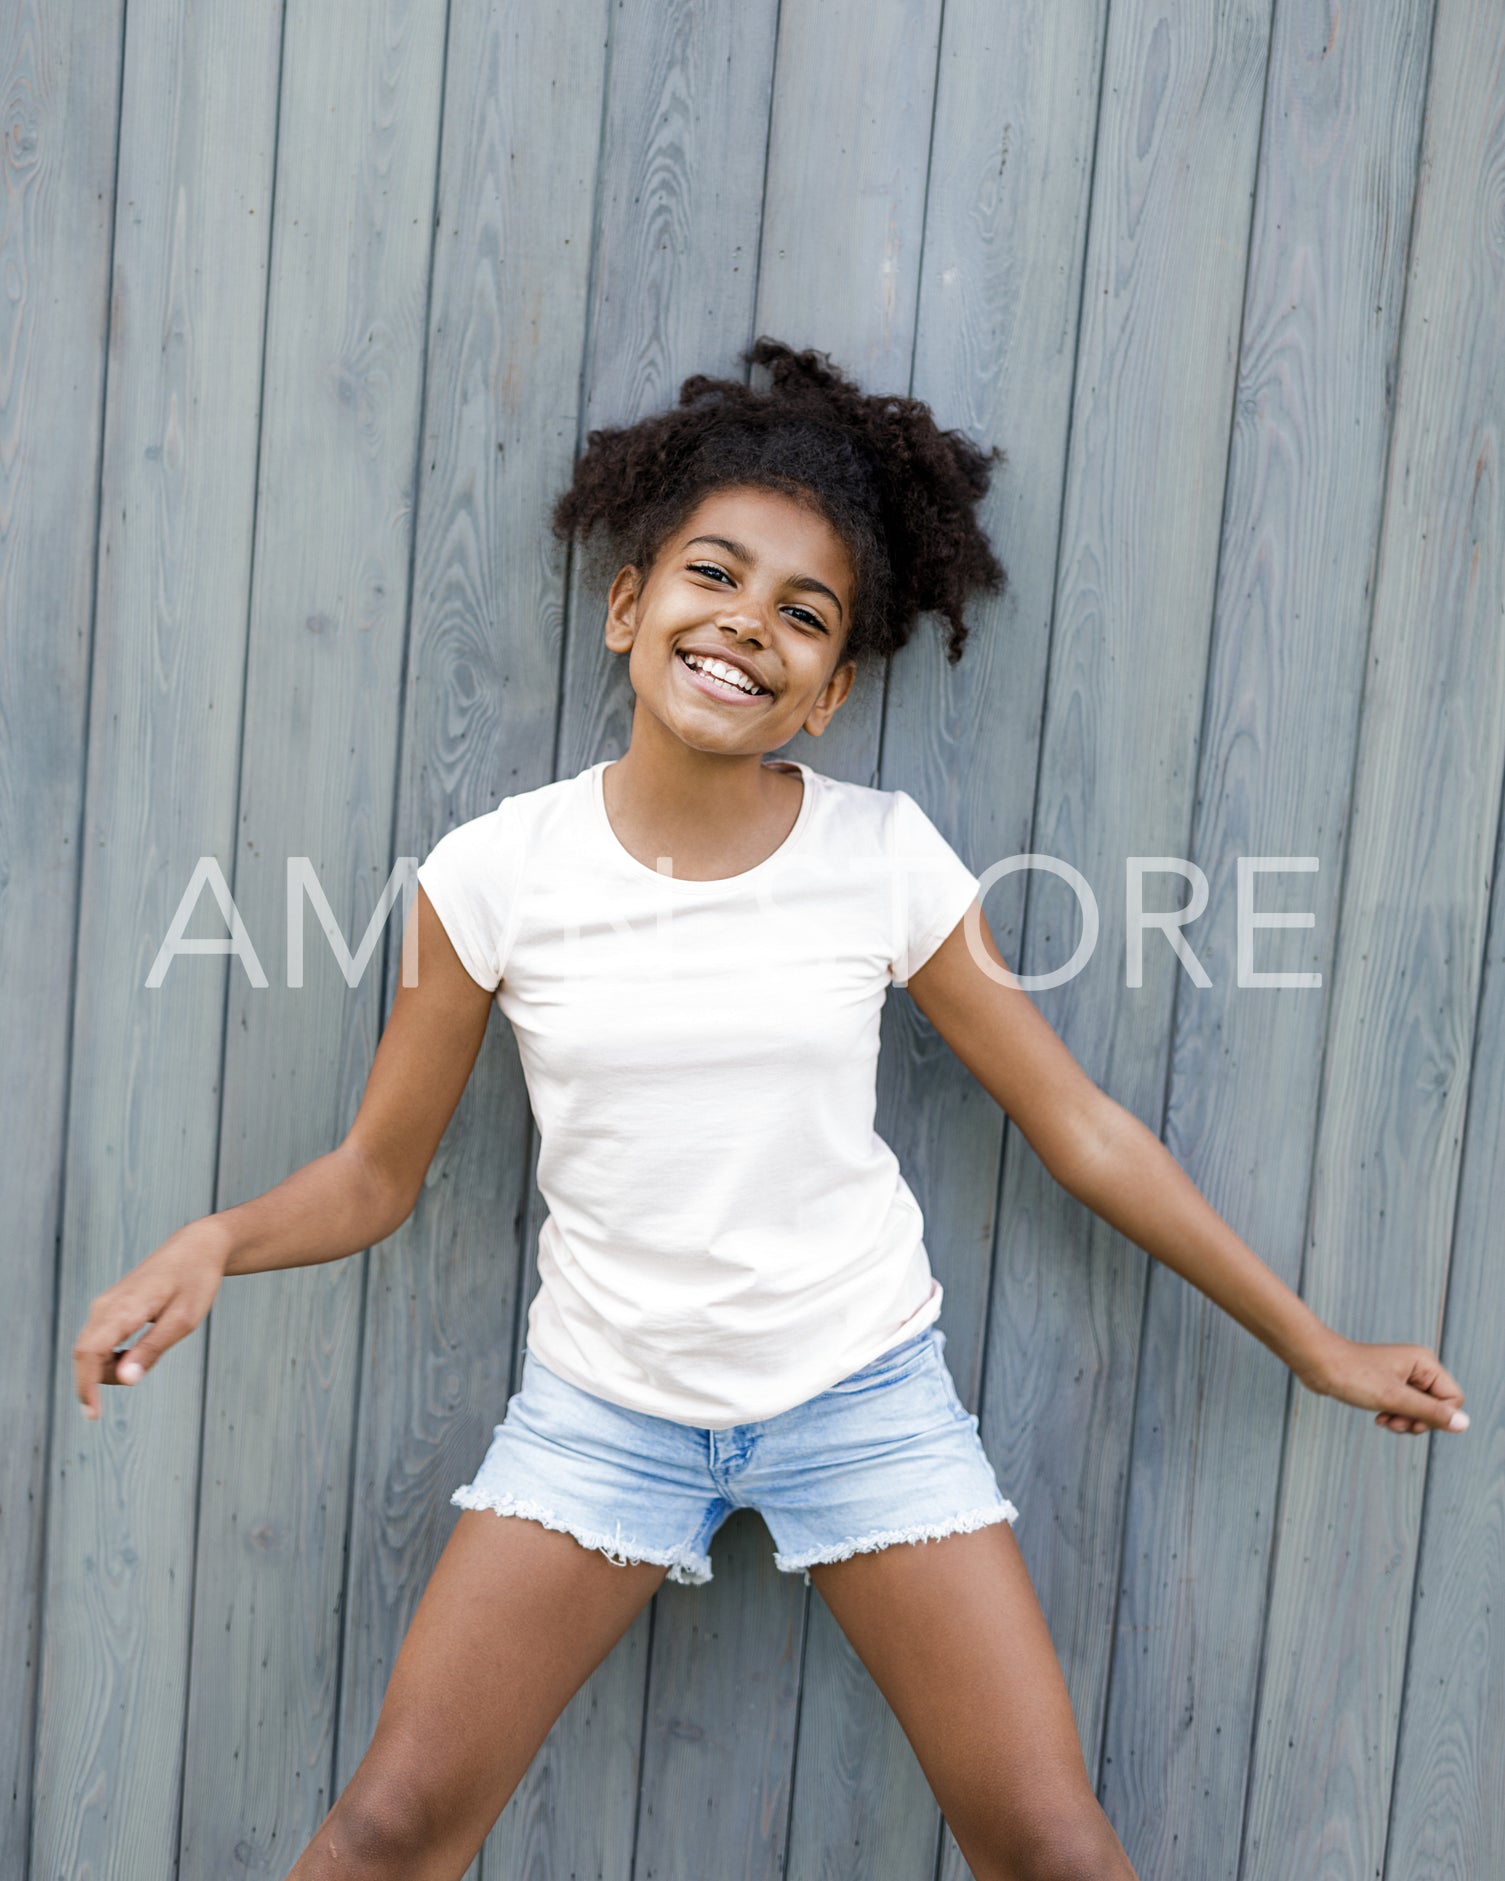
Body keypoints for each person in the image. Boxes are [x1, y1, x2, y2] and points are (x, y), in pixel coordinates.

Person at [75, 340, 1469, 1881]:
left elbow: (1076, 1125)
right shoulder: (490, 873)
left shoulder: (884, 855)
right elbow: (372, 1172)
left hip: (860, 1399)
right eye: (713, 575)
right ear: (628, 606)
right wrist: (218, 1237)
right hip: (605, 1415)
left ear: (828, 690)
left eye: (802, 614)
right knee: (394, 1825)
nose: (748, 622)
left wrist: (1310, 1339)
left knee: (1048, 1839)